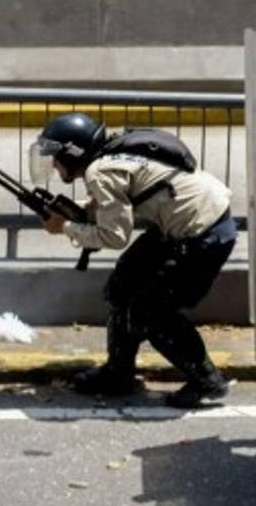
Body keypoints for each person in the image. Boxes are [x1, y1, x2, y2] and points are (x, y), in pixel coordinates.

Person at [33, 112, 237, 408]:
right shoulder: (111, 155)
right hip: (186, 225)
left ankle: (207, 380)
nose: (53, 164)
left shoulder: (99, 171)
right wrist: (73, 210)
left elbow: (114, 236)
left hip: (202, 235)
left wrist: (64, 227)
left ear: (73, 153)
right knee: (124, 283)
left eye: (57, 157)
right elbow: (114, 204)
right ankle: (118, 373)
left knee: (152, 311)